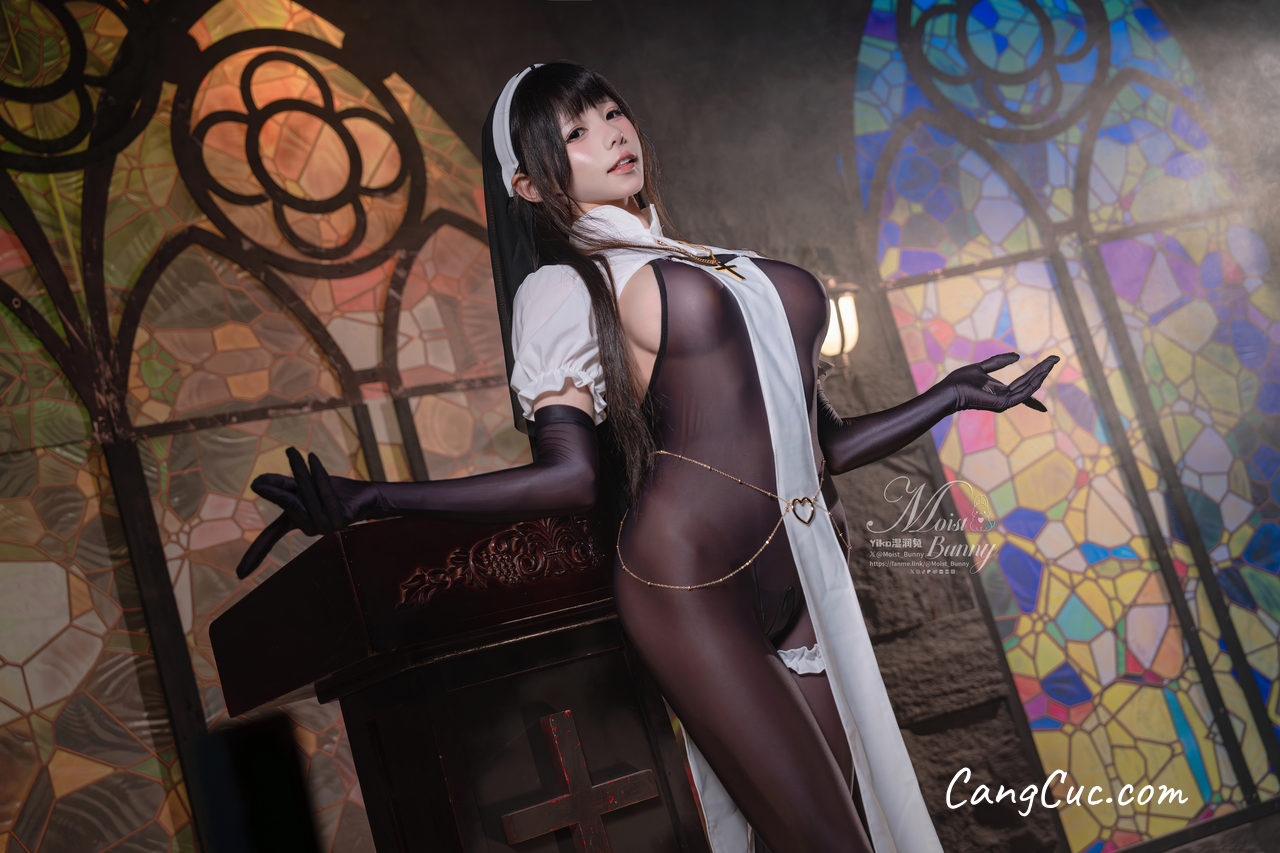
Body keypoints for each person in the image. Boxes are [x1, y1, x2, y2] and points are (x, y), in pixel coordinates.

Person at [237, 61, 1060, 853]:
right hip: (689, 583)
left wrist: (947, 397)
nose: (611, 135)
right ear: (529, 184)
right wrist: (375, 500)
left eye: (611, 114)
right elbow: (572, 476)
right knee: (831, 841)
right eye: (576, 132)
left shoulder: (722, 264)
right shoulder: (566, 286)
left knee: (848, 820)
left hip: (803, 568)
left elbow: (824, 446)